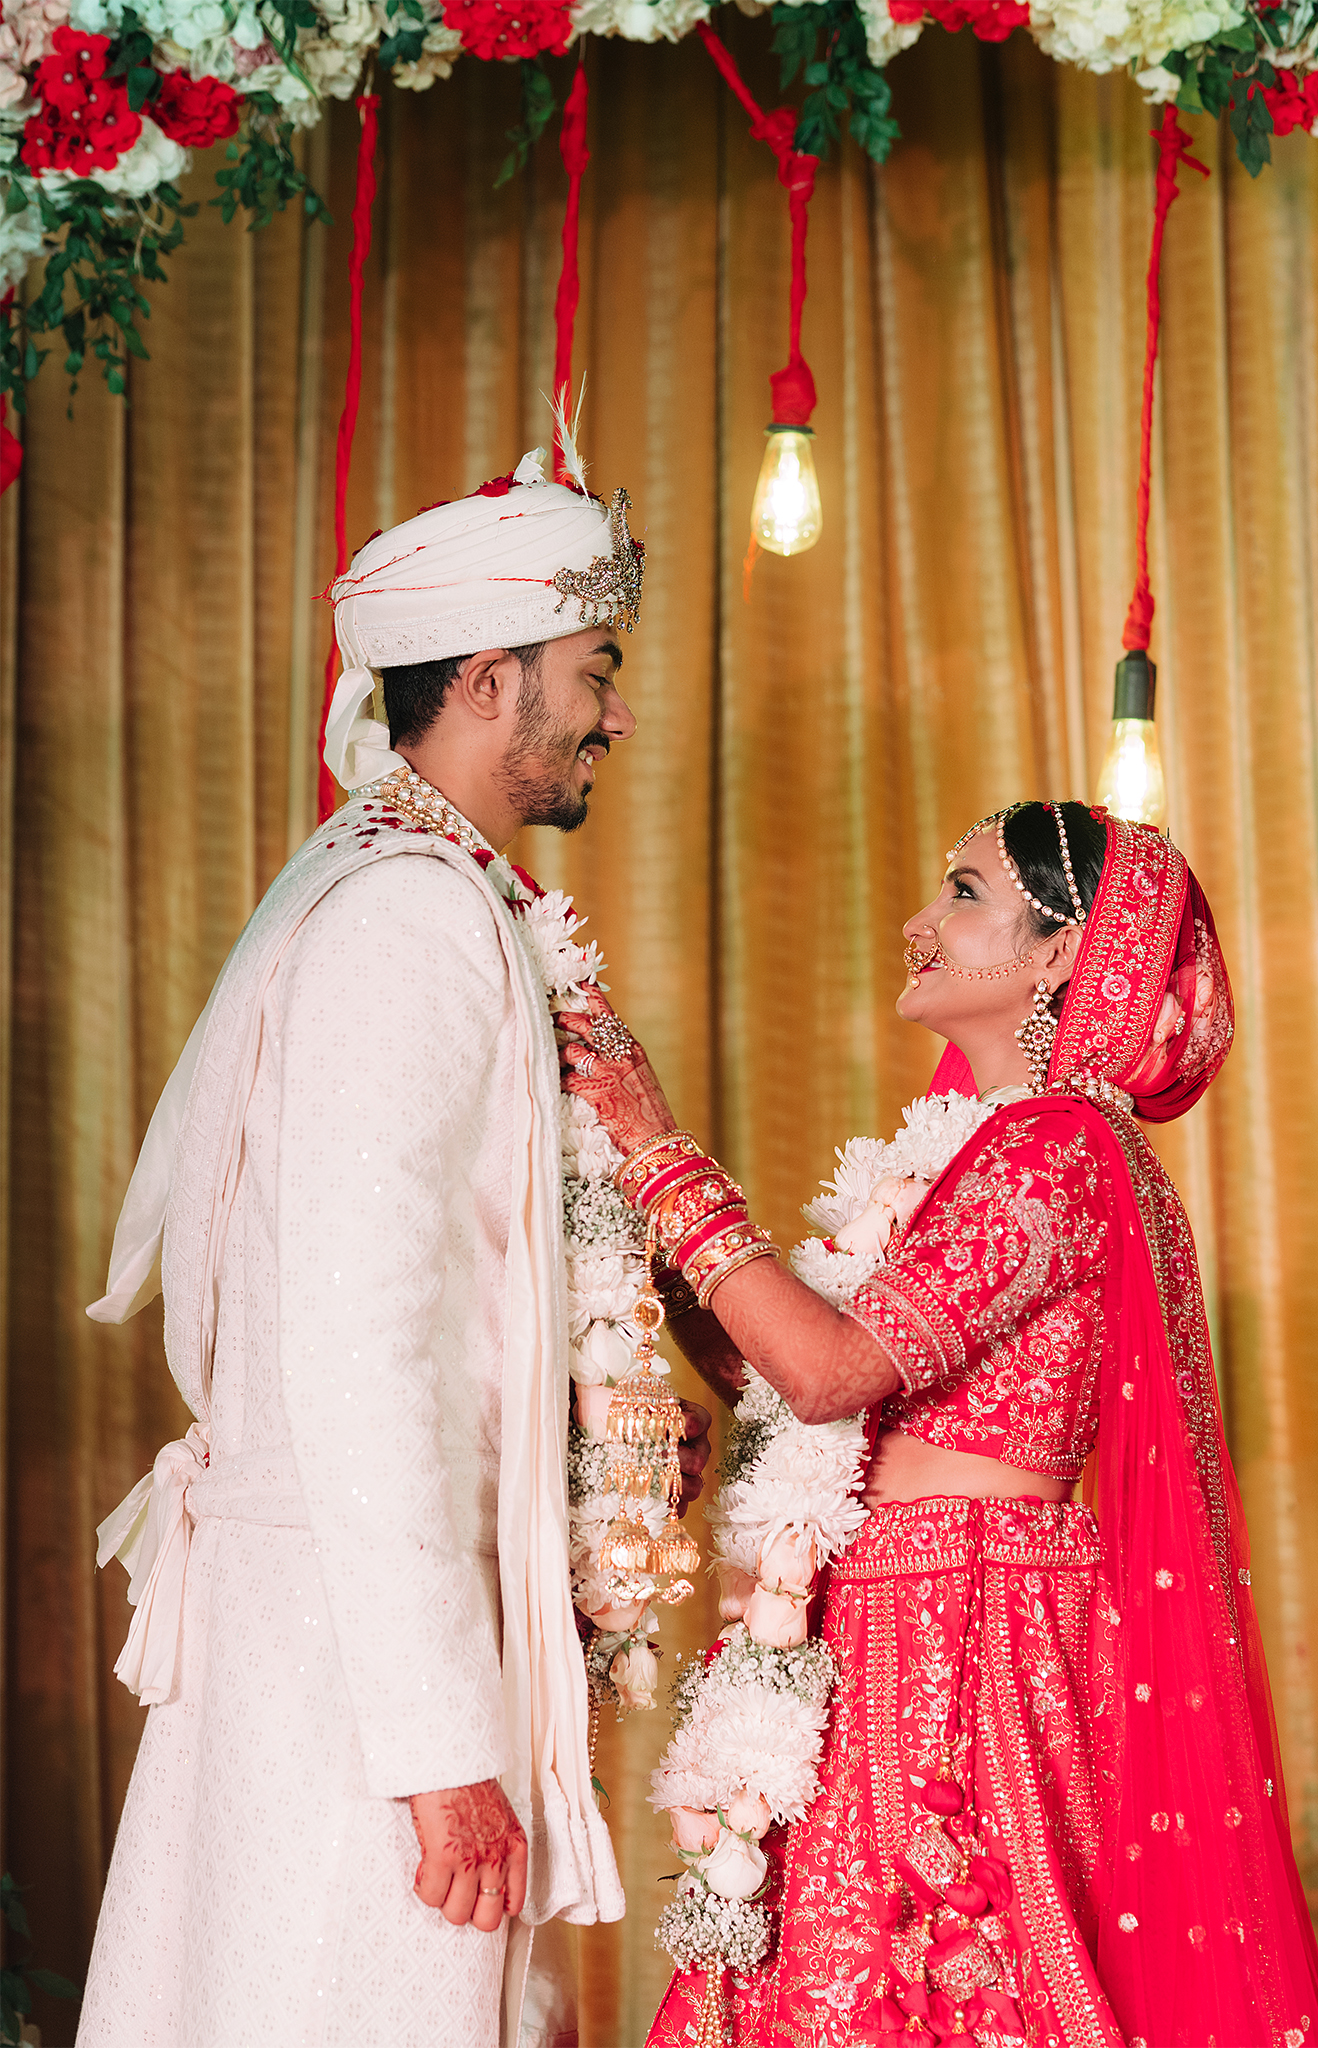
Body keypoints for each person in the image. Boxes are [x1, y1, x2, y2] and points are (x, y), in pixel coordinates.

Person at [75, 442, 709, 2048]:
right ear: (488, 681)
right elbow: (360, 1343)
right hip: (353, 1665)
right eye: (596, 671)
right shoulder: (407, 917)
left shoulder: (410, 891)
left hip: (352, 1622)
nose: (617, 716)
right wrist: (435, 1745)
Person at [560, 801, 1318, 2048]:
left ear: (1061, 950)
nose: (919, 923)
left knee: (928, 1991)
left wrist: (660, 1149)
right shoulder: (987, 1151)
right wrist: (655, 1249)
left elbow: (828, 1374)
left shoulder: (1053, 1152)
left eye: (965, 894)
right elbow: (795, 1378)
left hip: (961, 1639)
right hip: (904, 1610)